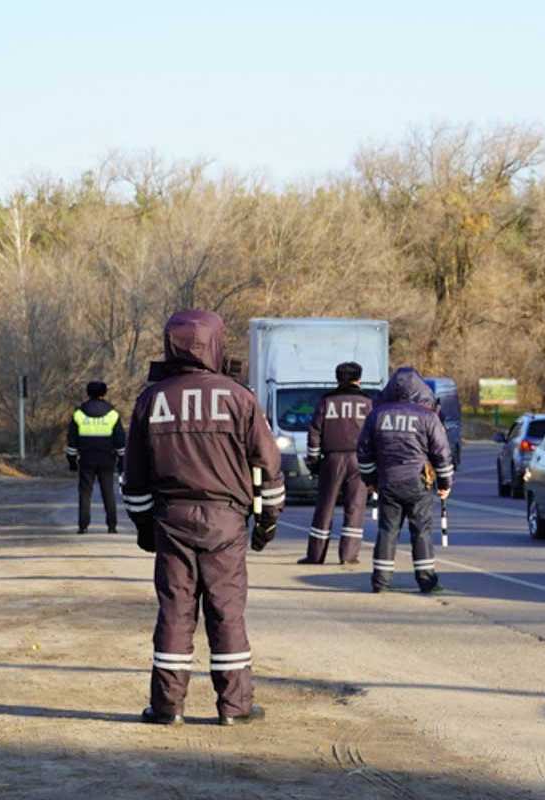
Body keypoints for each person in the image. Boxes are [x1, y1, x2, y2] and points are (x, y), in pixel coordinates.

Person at [122, 309, 285, 727]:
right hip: (225, 521)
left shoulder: (151, 400)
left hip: (170, 520)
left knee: (175, 613)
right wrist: (266, 522)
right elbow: (267, 466)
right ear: (215, 343)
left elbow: (134, 478)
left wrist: (145, 529)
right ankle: (234, 707)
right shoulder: (239, 397)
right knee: (226, 612)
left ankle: (166, 708)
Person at [356, 367, 453, 594]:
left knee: (388, 531)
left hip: (388, 482)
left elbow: (363, 451)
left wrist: (370, 480)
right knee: (421, 532)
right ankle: (427, 582)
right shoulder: (427, 416)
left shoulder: (377, 415)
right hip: (418, 483)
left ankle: (380, 582)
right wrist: (445, 484)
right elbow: (442, 452)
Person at [299, 362, 374, 565]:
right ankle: (348, 556)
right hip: (359, 460)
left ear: (338, 378)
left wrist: (314, 461)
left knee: (325, 507)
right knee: (355, 507)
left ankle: (315, 555)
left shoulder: (327, 401)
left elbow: (315, 431)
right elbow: (374, 434)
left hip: (331, 460)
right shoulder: (367, 402)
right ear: (359, 379)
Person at [66, 381, 126, 534]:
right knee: (108, 492)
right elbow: (120, 440)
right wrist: (122, 460)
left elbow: (72, 440)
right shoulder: (112, 414)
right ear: (104, 393)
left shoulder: (79, 413)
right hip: (107, 458)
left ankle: (83, 526)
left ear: (88, 393)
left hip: (86, 458)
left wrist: (72, 461)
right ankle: (112, 526)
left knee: (85, 493)